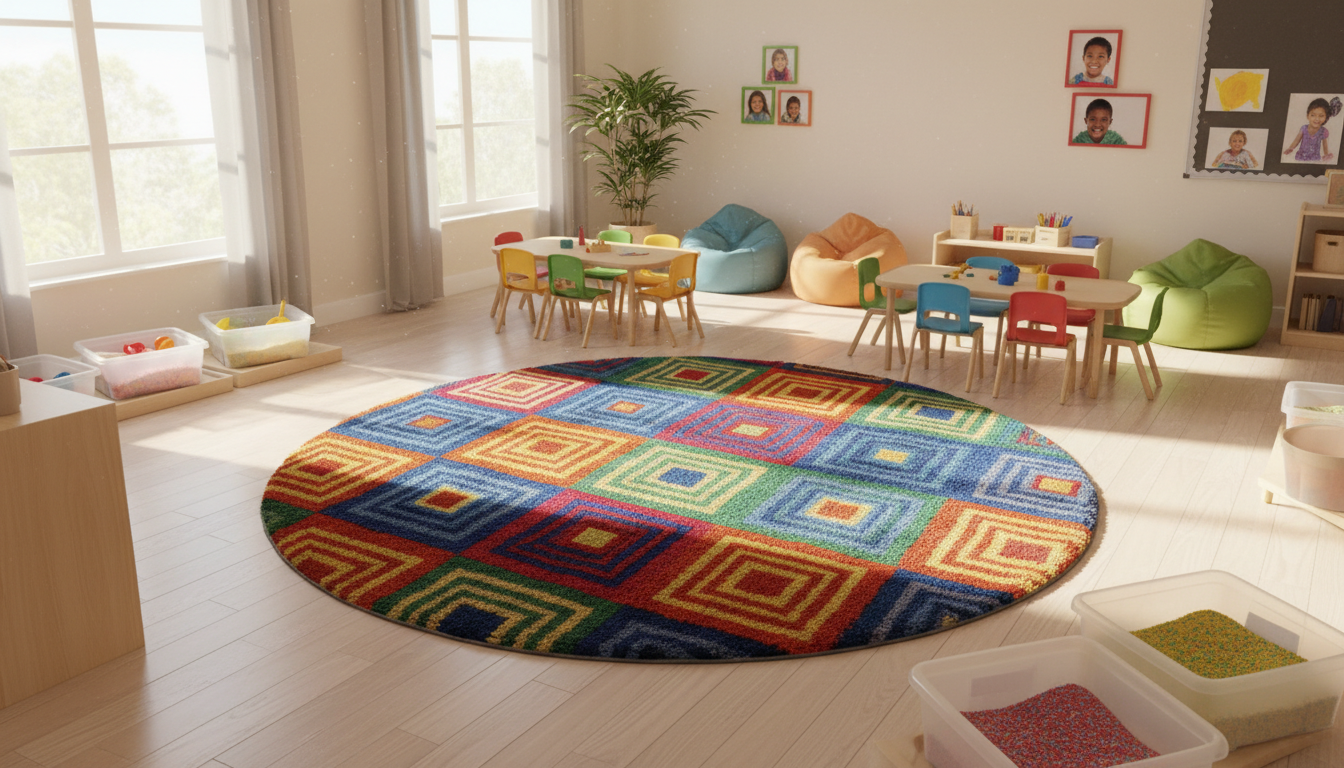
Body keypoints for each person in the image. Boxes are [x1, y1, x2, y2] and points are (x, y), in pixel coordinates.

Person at [1283, 97, 1339, 163]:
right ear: (1308, 116)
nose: (1317, 119)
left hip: (1315, 159)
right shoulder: (1304, 128)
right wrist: (1291, 148)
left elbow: (1325, 145)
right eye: (1313, 115)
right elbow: (1297, 140)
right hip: (1300, 158)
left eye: (1321, 116)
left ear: (1326, 117)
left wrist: (1326, 155)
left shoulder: (1324, 131)